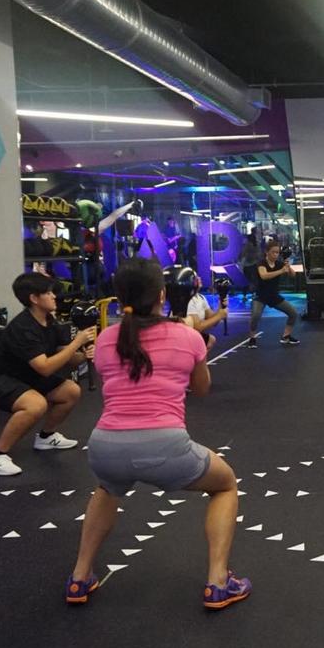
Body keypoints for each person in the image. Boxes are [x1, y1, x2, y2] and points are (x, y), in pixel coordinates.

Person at [64, 258, 250, 610]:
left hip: (105, 446)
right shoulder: (187, 337)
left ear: (119, 297)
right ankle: (218, 582)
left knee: (106, 489)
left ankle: (79, 577)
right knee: (225, 485)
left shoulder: (106, 339)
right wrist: (200, 355)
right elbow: (202, 390)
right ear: (162, 294)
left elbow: (119, 384)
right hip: (165, 447)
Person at [0, 272, 96, 476]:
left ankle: (46, 437)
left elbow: (63, 356)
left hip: (23, 373)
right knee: (36, 405)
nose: (54, 296)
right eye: (48, 293)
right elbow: (45, 367)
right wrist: (77, 343)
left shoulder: (49, 320)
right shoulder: (23, 327)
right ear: (34, 298)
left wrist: (82, 354)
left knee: (70, 391)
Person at [247, 239, 300, 347]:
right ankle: (252, 337)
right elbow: (264, 276)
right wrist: (281, 271)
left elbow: (293, 275)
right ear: (267, 252)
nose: (276, 255)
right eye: (273, 252)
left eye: (277, 252)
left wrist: (287, 266)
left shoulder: (279, 263)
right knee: (255, 316)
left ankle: (286, 336)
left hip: (273, 296)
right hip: (261, 295)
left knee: (293, 313)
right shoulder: (261, 263)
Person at [183, 272, 227, 350]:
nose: (199, 278)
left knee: (211, 340)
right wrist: (220, 315)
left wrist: (221, 304)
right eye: (195, 277)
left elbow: (213, 320)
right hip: (184, 336)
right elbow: (197, 327)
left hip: (193, 334)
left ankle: (199, 361)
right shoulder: (188, 299)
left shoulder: (201, 297)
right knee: (207, 340)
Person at [238, 231, 261, 306]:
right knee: (254, 280)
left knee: (245, 281)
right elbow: (259, 255)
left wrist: (239, 259)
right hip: (254, 265)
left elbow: (243, 254)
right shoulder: (256, 245)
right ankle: (254, 294)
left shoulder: (247, 245)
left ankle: (245, 295)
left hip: (247, 266)